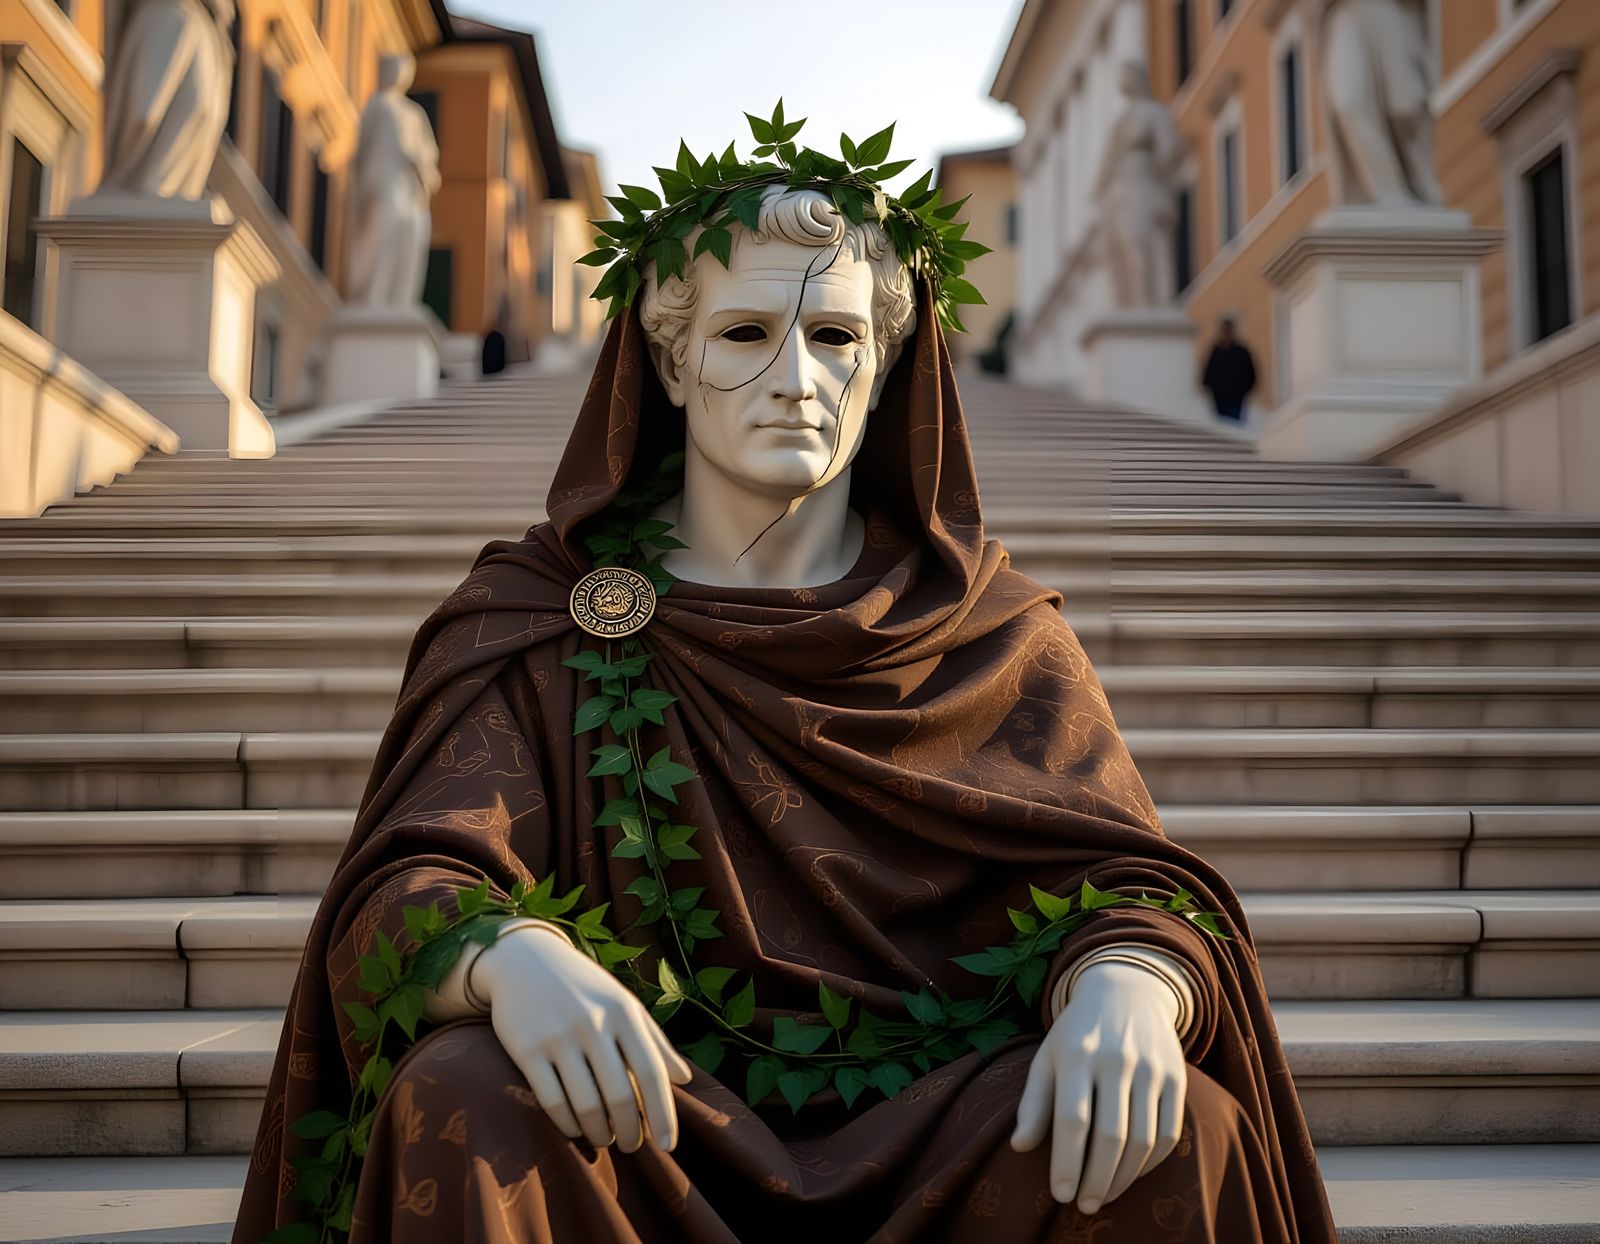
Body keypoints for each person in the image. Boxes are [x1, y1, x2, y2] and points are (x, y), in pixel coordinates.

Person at [234, 126, 1335, 1244]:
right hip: (633, 1116)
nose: (794, 380)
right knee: (463, 1087)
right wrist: (508, 958)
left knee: (1173, 1121)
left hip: (952, 1127)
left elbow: (1128, 877)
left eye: (835, 334)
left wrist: (1132, 978)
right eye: (746, 333)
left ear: (890, 358)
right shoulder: (533, 615)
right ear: (669, 359)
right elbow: (409, 876)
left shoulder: (995, 634)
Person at [1200, 316, 1257, 424]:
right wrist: (1210, 388)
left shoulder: (1241, 352)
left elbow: (1251, 373)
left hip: (1236, 399)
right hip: (1219, 400)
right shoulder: (1216, 351)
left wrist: (1243, 390)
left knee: (1234, 426)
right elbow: (1208, 373)